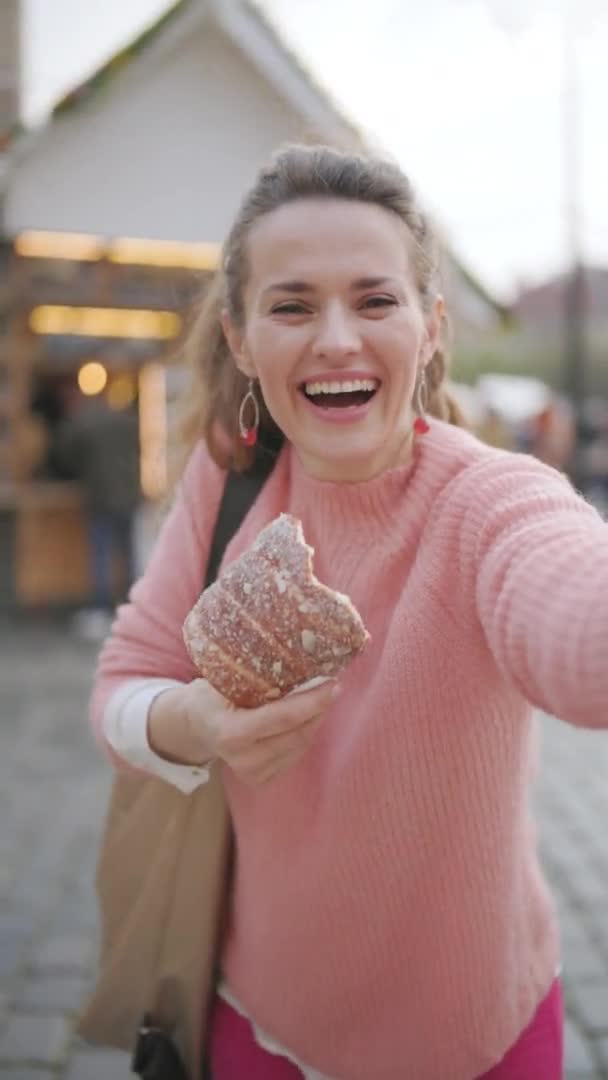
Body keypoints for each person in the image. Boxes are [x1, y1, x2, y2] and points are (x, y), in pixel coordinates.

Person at [90, 145, 608, 1080]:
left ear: (430, 327)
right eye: (292, 305)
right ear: (244, 340)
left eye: (375, 301)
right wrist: (194, 721)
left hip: (477, 1039)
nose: (336, 339)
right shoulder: (229, 484)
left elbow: (577, 621)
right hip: (260, 1024)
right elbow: (123, 685)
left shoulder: (487, 501)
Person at [53, 387, 140, 630]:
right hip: (128, 495)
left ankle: (100, 608)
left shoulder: (82, 423)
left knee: (100, 556)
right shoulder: (126, 420)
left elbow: (64, 454)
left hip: (101, 497)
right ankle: (132, 606)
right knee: (127, 553)